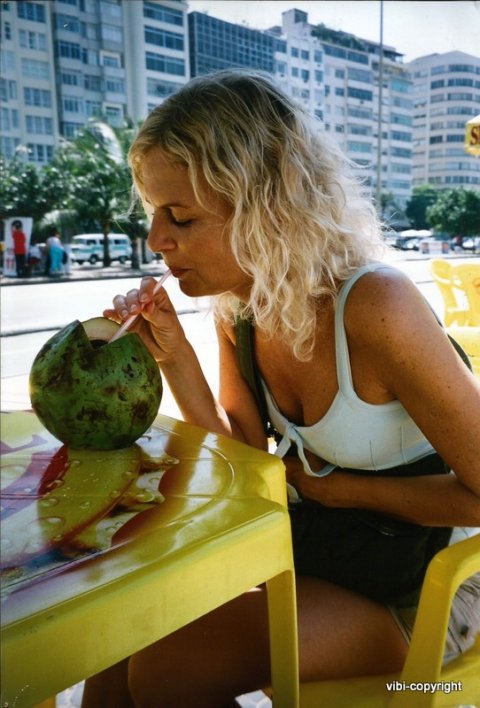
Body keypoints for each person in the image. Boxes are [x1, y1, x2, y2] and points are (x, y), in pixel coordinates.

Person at [83, 70, 480, 708]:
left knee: (164, 673)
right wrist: (175, 358)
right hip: (333, 560)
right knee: (112, 642)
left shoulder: (376, 306)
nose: (156, 240)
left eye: (179, 216)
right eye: (154, 213)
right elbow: (245, 460)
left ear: (268, 208)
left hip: (435, 591)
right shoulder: (239, 308)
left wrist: (340, 490)